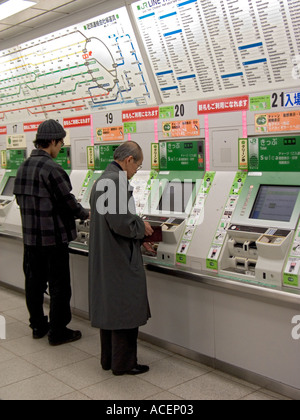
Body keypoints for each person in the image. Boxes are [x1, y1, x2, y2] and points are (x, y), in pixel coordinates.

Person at [14, 119, 90, 346]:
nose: (61, 148)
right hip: (53, 239)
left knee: (34, 283)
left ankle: (38, 325)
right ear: (54, 141)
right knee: (59, 286)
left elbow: (19, 200)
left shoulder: (23, 167)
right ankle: (58, 331)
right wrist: (86, 214)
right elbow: (68, 203)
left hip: (30, 239)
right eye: (61, 143)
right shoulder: (52, 169)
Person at [89, 141, 154, 376]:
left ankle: (109, 359)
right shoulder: (116, 181)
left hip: (106, 254)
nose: (137, 170)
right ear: (128, 160)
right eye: (138, 165)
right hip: (119, 256)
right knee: (125, 309)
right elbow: (121, 223)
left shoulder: (102, 179)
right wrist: (142, 227)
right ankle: (124, 364)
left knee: (111, 310)